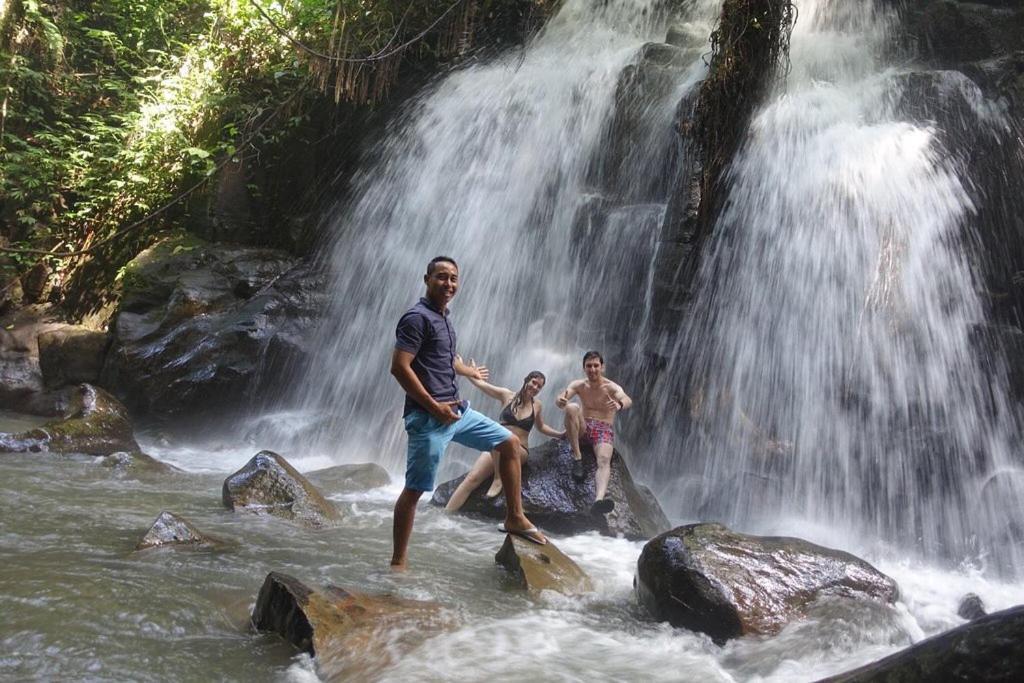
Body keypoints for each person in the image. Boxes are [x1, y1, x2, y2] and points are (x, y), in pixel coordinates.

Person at [389, 256, 546, 569]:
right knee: (414, 490)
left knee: (509, 443)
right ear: (426, 279)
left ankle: (514, 517)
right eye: (442, 277)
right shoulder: (416, 318)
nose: (449, 284)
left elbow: (443, 359)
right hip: (429, 417)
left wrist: (465, 369)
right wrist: (434, 406)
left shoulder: (444, 318)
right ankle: (398, 562)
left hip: (458, 411)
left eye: (453, 279)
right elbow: (399, 368)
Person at [445, 367, 565, 512]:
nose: (535, 387)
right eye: (534, 383)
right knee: (472, 479)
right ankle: (445, 515)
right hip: (496, 447)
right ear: (526, 380)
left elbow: (541, 427)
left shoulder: (537, 405)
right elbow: (482, 385)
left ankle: (498, 478)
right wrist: (469, 371)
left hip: (519, 450)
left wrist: (559, 434)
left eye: (539, 386)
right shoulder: (506, 395)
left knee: (499, 439)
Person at [556, 350, 632, 515]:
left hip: (603, 428)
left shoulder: (611, 387)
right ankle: (577, 458)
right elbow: (563, 397)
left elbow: (627, 399)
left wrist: (619, 404)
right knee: (571, 407)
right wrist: (560, 401)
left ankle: (599, 500)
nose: (592, 369)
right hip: (583, 426)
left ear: (602, 367)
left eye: (596, 366)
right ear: (584, 368)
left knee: (604, 460)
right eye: (589, 366)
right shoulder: (579, 385)